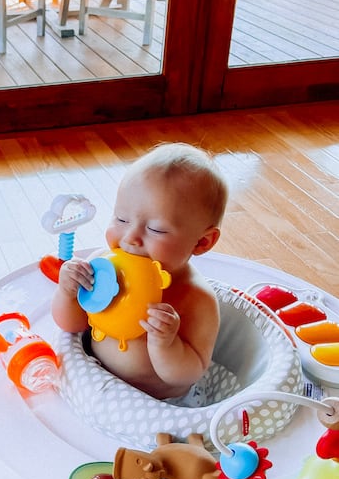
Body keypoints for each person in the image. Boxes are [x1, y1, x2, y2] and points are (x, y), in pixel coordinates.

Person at [52, 142, 228, 402]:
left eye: (156, 229)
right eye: (121, 219)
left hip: (160, 404)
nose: (130, 238)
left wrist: (166, 345)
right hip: (94, 378)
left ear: (202, 242)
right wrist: (68, 292)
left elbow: (189, 373)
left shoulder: (196, 299)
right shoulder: (104, 265)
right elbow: (72, 324)